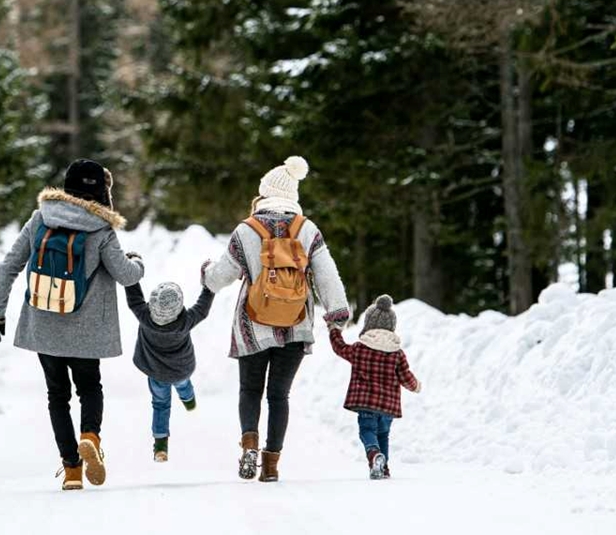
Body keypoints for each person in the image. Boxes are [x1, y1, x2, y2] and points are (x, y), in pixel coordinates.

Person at [0, 159, 144, 491]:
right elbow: (125, 275)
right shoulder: (101, 229)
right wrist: (137, 262)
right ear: (101, 191)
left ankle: (72, 470)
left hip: (44, 325)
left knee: (57, 395)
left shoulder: (41, 218)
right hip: (87, 331)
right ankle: (90, 436)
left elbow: (9, 266)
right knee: (89, 388)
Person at [202, 155, 350, 482]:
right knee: (279, 396)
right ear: (293, 196)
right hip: (296, 325)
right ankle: (270, 465)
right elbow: (327, 276)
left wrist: (206, 275)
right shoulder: (307, 230)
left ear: (264, 194)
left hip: (251, 325)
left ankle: (249, 445)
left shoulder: (247, 229)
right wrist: (337, 316)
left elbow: (220, 277)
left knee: (250, 390)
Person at [328, 295, 422, 479]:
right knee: (383, 435)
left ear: (369, 324)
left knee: (367, 431)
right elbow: (405, 377)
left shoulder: (359, 348)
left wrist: (334, 329)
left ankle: (373, 455)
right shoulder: (397, 354)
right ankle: (383, 468)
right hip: (388, 407)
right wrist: (416, 386)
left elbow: (339, 347)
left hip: (366, 404)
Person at [124, 279, 215, 462]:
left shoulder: (144, 316)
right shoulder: (186, 321)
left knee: (160, 404)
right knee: (184, 385)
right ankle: (189, 402)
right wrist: (209, 286)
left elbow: (134, 298)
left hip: (156, 374)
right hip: (181, 370)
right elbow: (202, 309)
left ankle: (160, 447)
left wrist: (131, 270)